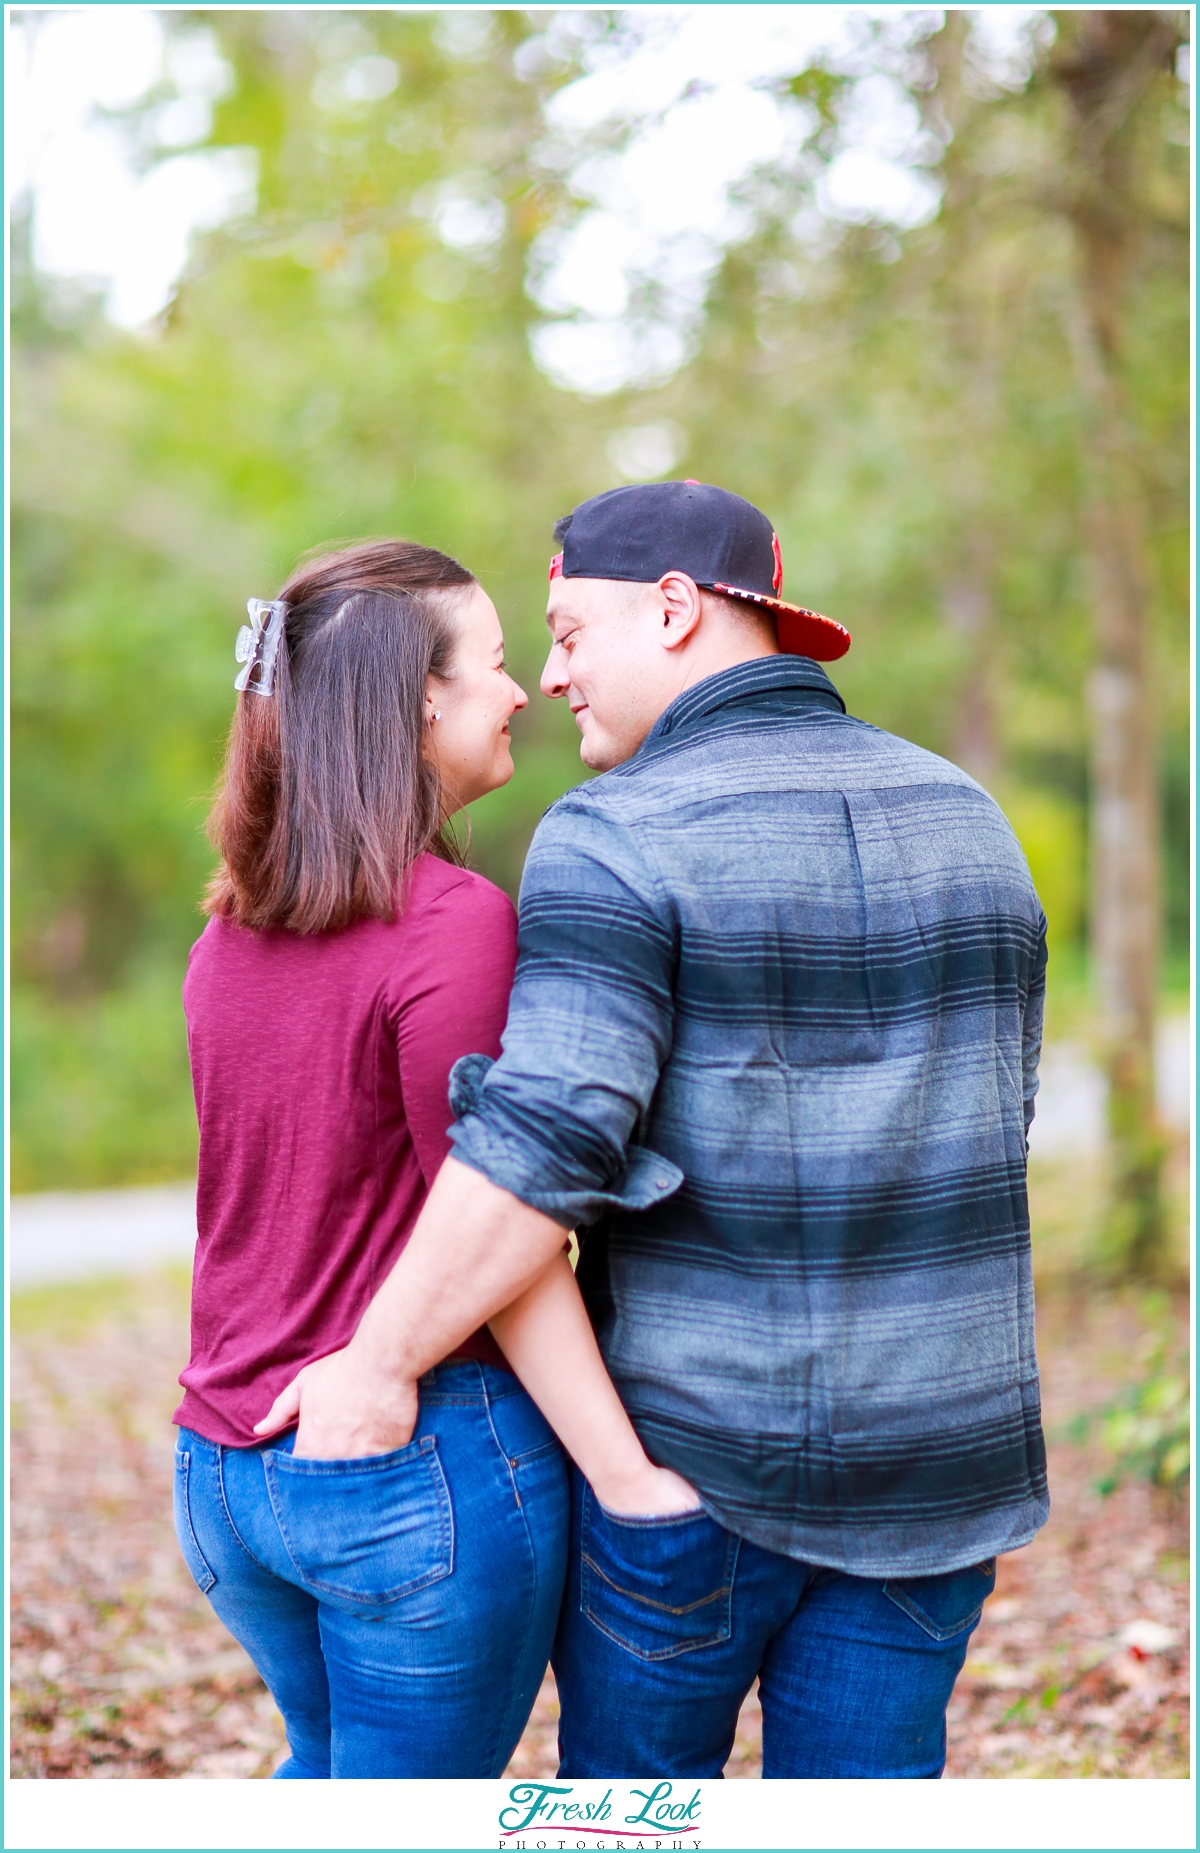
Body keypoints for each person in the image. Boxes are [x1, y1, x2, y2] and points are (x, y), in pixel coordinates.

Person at [259, 483, 1050, 1780]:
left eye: (568, 634)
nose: (552, 676)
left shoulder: (619, 834)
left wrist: (379, 1361)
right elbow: (993, 1120)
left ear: (674, 609)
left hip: (695, 1482)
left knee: (634, 1822)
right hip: (944, 1477)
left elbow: (539, 1152)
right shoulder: (971, 814)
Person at [173, 538, 696, 1781]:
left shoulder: (225, 934)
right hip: (407, 1470)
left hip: (225, 1471)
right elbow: (501, 1221)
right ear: (422, 699)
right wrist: (627, 1478)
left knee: (331, 1774)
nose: (523, 692)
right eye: (502, 666)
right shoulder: (453, 922)